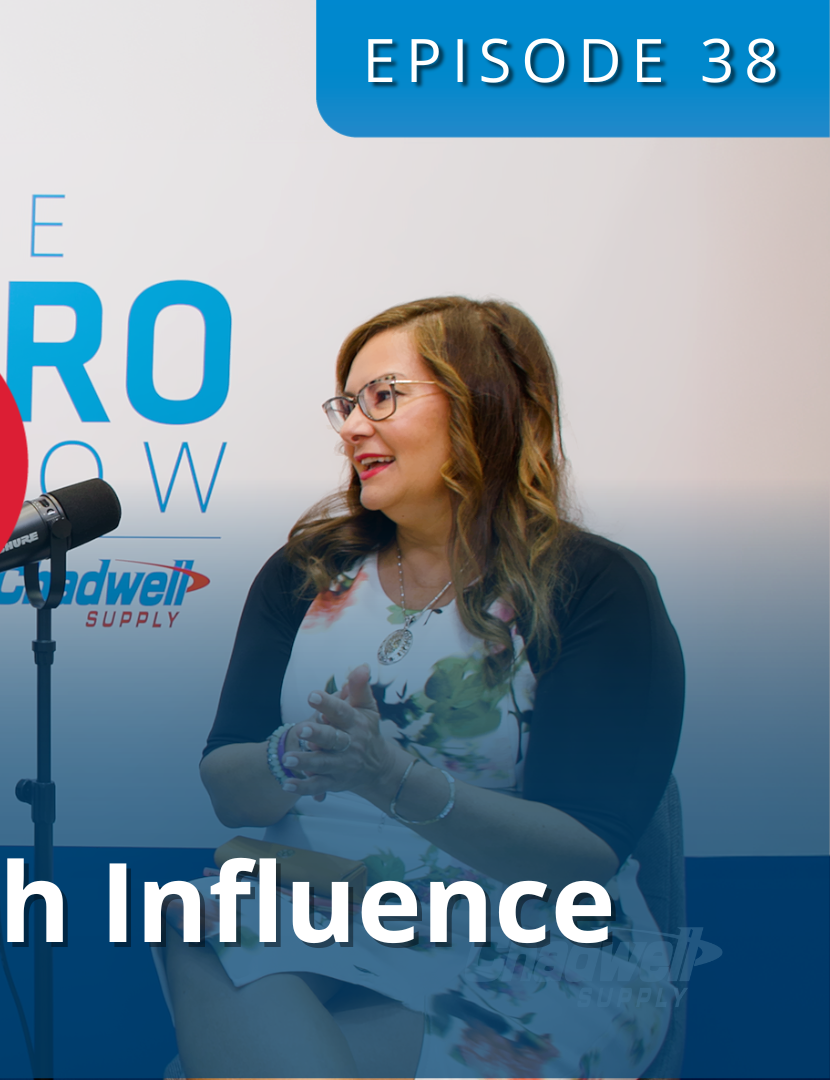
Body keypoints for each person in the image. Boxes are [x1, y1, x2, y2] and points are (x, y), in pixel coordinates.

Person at [160, 297, 684, 1078]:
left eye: (383, 397)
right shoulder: (306, 572)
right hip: (332, 902)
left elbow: (580, 857)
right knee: (196, 919)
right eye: (347, 404)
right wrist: (297, 755)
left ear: (482, 407)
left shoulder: (592, 585)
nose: (351, 427)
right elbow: (230, 788)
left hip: (531, 940)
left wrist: (393, 779)